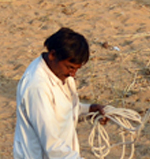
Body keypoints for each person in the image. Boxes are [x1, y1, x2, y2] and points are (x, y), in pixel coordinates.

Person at [13, 28, 108, 159]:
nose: (73, 74)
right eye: (70, 67)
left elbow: (63, 109)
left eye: (76, 69)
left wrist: (89, 110)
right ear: (52, 55)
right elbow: (52, 145)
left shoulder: (59, 73)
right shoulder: (37, 87)